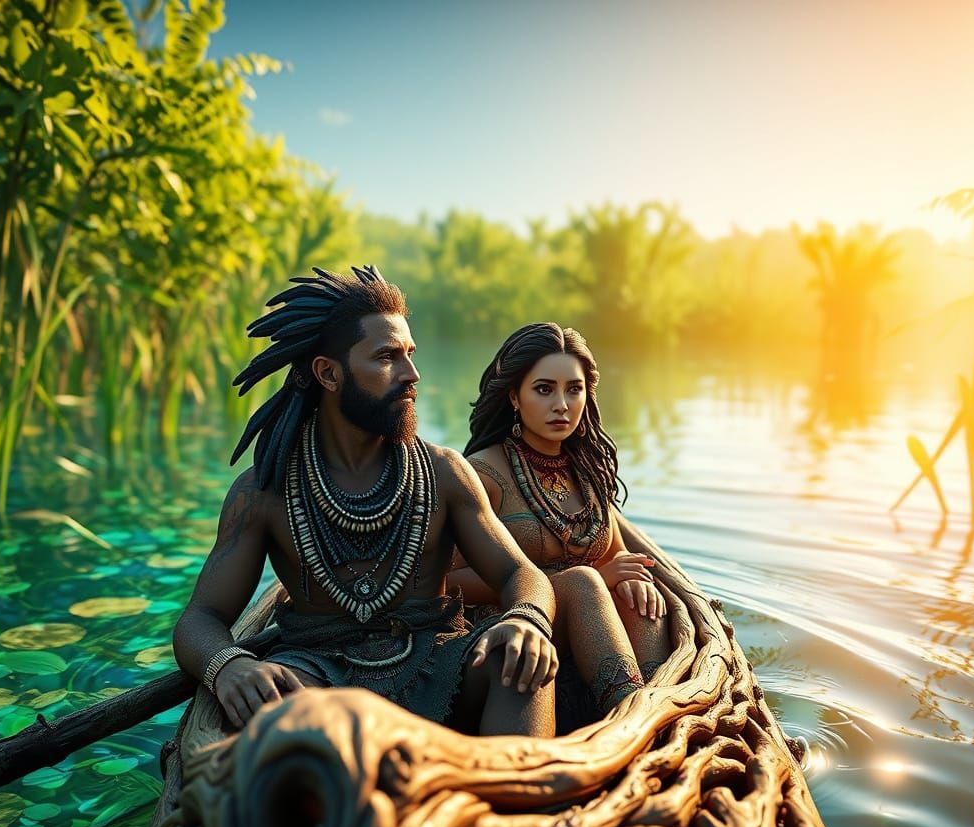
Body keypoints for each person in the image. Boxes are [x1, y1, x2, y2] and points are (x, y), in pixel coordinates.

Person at [173, 267, 559, 738]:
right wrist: (228, 665)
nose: (412, 374)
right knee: (267, 710)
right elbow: (201, 618)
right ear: (328, 373)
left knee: (518, 661)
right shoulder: (262, 494)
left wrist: (526, 619)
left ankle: (520, 800)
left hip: (439, 660)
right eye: (387, 357)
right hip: (318, 677)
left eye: (410, 355)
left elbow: (520, 574)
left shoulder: (445, 474)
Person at [447, 322, 670, 726]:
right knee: (585, 582)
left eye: (574, 389)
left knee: (643, 597)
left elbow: (617, 552)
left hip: (583, 626)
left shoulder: (588, 470)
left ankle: (662, 705)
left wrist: (629, 576)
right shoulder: (483, 474)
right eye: (544, 389)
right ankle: (630, 720)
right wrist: (582, 577)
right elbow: (446, 582)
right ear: (514, 396)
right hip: (505, 625)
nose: (562, 405)